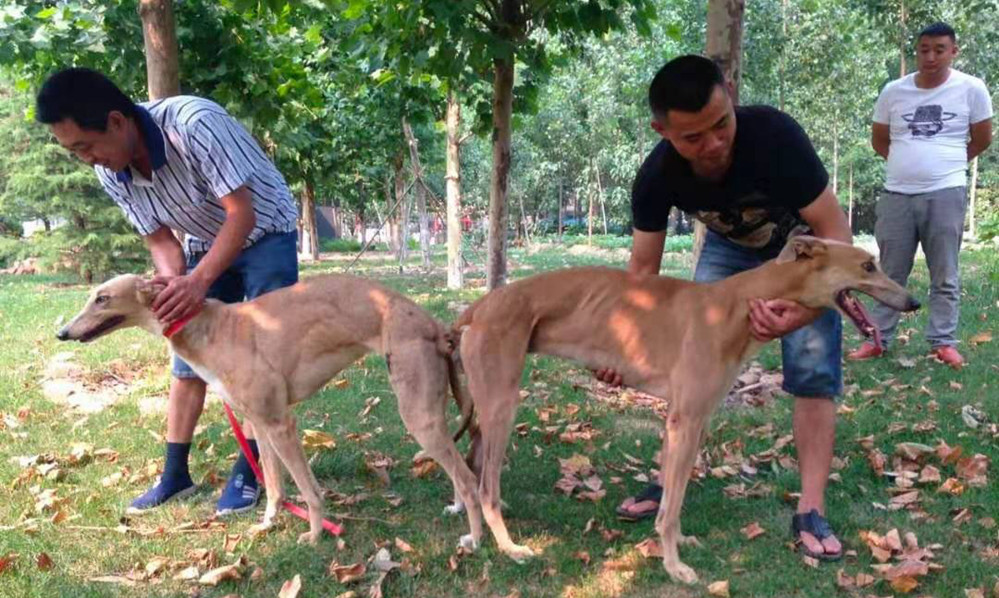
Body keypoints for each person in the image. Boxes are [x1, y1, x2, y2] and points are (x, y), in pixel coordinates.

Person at [595, 55, 851, 560]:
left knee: (813, 368)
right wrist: (617, 343)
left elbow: (835, 233)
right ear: (662, 131)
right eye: (694, 137)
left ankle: (811, 507)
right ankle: (668, 481)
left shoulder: (776, 136)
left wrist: (806, 310)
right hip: (728, 254)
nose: (714, 144)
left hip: (802, 254)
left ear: (730, 95)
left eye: (721, 124)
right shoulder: (656, 177)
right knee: (695, 368)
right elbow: (641, 275)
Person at [36, 68, 300, 516]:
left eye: (85, 146)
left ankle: (251, 470)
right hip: (203, 242)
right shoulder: (111, 171)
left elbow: (241, 214)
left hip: (265, 233)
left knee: (259, 359)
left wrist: (197, 282)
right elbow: (160, 240)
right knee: (186, 355)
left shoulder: (195, 125)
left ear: (117, 122)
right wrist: (173, 283)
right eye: (73, 152)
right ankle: (175, 473)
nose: (86, 159)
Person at [848, 22, 992, 368]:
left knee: (945, 271)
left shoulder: (972, 89)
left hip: (946, 191)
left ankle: (943, 342)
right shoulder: (894, 91)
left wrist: (947, 165)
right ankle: (878, 339)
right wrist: (907, 165)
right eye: (924, 49)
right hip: (897, 194)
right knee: (888, 272)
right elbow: (880, 140)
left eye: (939, 49)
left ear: (954, 51)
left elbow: (983, 138)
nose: (930, 56)